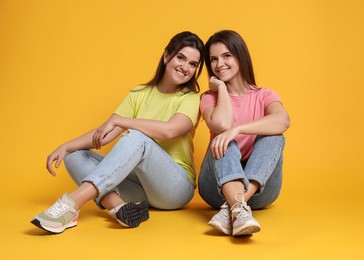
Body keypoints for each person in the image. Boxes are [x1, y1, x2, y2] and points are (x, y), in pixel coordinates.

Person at [31, 31, 204, 234]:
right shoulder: (139, 93)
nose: (185, 67)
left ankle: (71, 204)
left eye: (193, 64)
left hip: (174, 189)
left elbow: (170, 130)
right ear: (167, 56)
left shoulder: (191, 98)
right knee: (74, 156)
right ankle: (119, 206)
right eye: (181, 58)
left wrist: (123, 122)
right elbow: (104, 134)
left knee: (138, 136)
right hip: (138, 190)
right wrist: (66, 146)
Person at [198, 30, 290, 236]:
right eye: (213, 59)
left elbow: (283, 120)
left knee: (274, 135)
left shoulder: (264, 95)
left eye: (226, 55)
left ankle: (234, 207)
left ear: (240, 56)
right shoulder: (209, 99)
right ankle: (237, 208)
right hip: (216, 189)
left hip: (260, 190)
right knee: (223, 138)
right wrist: (221, 88)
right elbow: (222, 124)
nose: (219, 63)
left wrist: (238, 129)